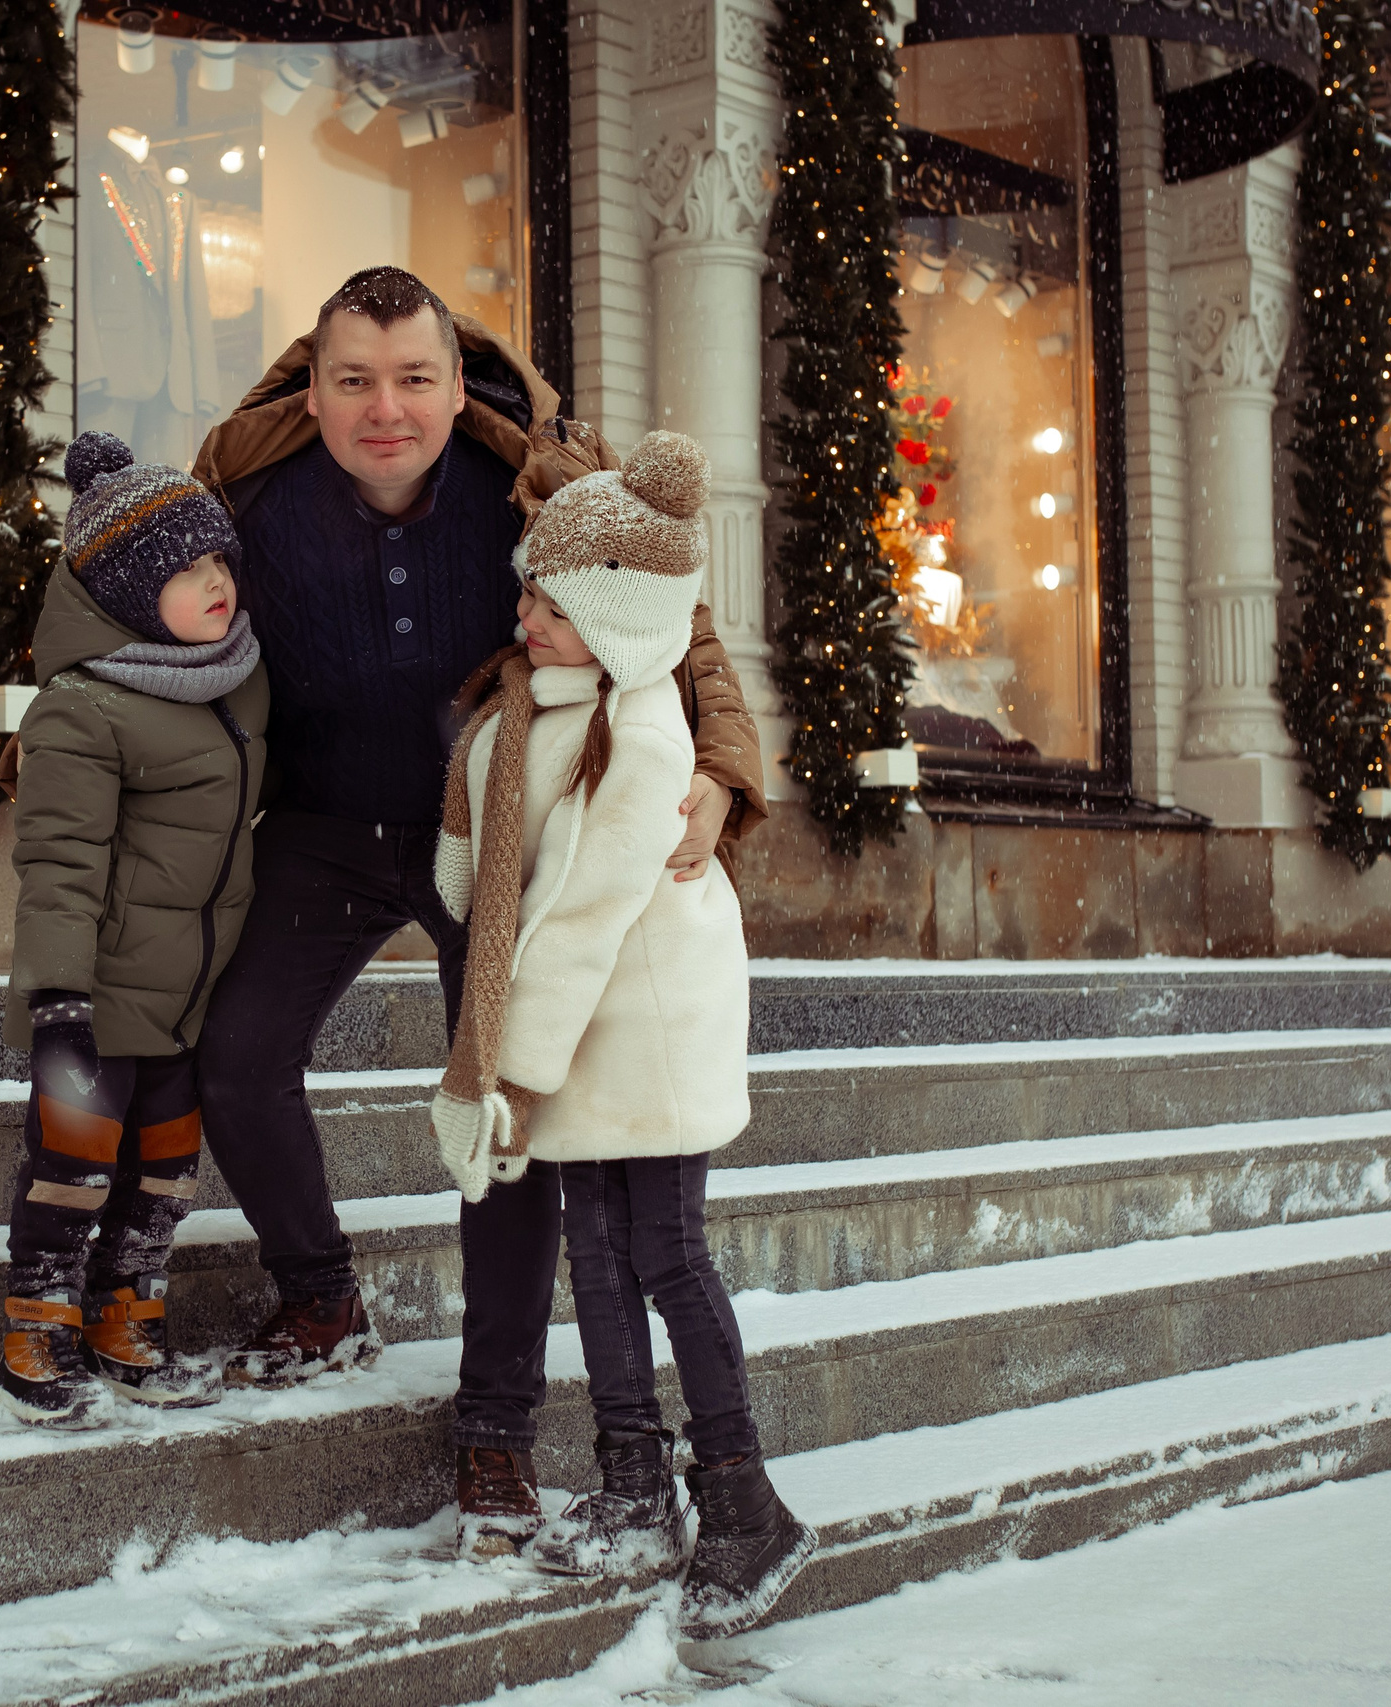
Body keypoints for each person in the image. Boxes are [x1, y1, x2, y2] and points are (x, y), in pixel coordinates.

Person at [183, 268, 765, 1537]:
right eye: (354, 381)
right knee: (233, 1054)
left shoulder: (540, 483)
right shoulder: (246, 490)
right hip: (325, 823)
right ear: (313, 384)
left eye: (411, 379)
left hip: (503, 826)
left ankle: (495, 1429)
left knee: (507, 1115)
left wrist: (720, 765)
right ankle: (319, 1293)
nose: (382, 409)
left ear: (455, 383)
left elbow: (673, 613)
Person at [428, 429, 815, 1638]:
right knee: (592, 1253)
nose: (528, 615)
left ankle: (746, 1504)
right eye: (527, 593)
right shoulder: (542, 708)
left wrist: (511, 1074)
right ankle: (634, 1481)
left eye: (554, 601)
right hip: (584, 1030)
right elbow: (491, 877)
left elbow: (583, 922)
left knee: (664, 1254)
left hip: (638, 1027)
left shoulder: (643, 738)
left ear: (618, 614)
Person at [0, 434, 267, 1424]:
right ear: (123, 596)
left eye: (219, 562)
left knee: (163, 1175)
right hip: (97, 996)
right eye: (187, 573)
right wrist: (57, 994)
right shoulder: (82, 707)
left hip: (188, 995)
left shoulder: (233, 679)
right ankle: (37, 1322)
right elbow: (58, 861)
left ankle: (123, 1314)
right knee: (70, 1168)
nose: (216, 584)